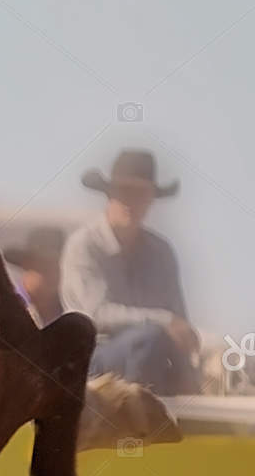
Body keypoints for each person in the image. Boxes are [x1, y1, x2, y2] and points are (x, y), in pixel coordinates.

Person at [60, 150, 196, 394]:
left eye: (140, 194)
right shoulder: (85, 244)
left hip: (151, 357)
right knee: (149, 339)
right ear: (109, 195)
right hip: (91, 359)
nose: (131, 202)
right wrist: (162, 321)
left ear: (151, 199)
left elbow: (180, 326)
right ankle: (138, 419)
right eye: (125, 192)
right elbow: (95, 314)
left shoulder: (162, 252)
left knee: (162, 346)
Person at [2, 224, 66, 327]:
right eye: (44, 265)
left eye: (58, 266)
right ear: (26, 264)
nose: (54, 273)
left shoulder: (72, 309)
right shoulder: (2, 309)